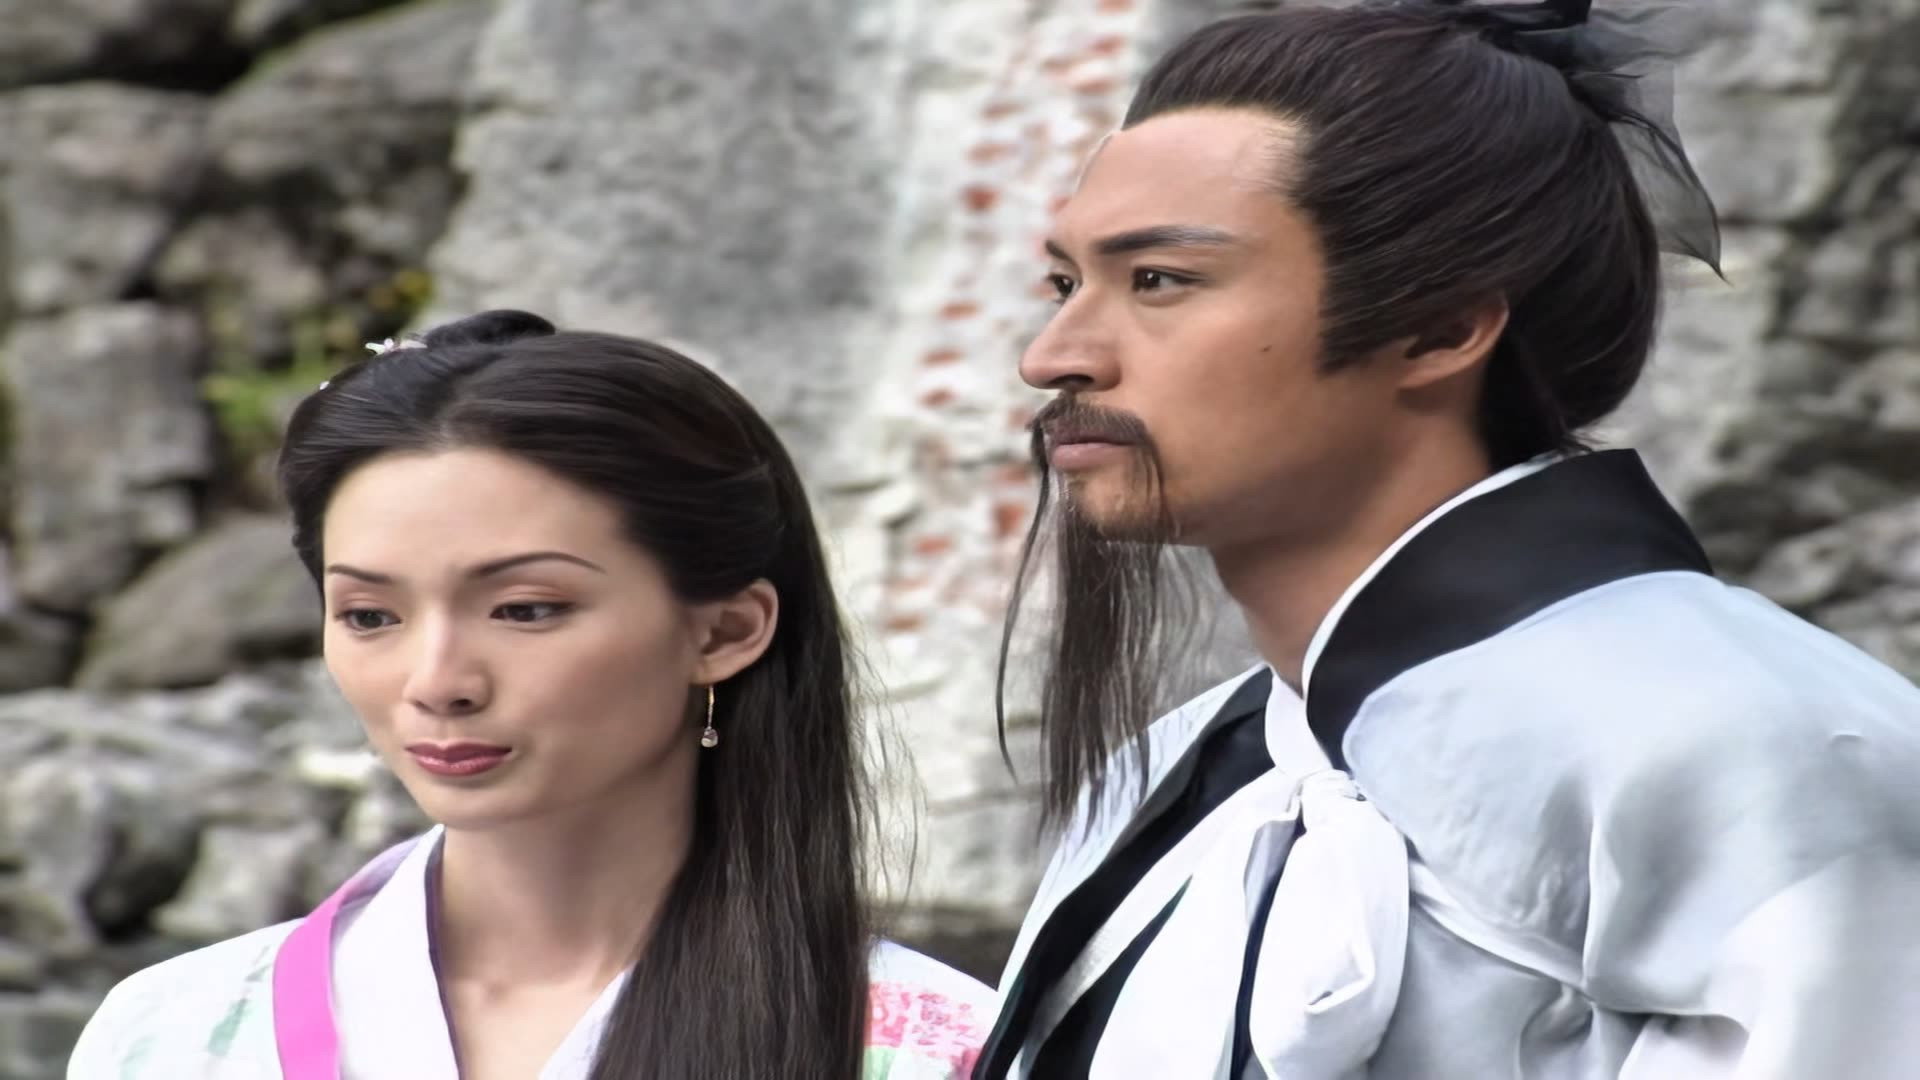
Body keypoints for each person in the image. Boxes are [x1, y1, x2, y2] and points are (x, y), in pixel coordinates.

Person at [975, 2, 1920, 1078]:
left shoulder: (1754, 748)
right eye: (1066, 284)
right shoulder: (1190, 766)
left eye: (1159, 280)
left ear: (1440, 329)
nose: (1052, 356)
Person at [67, 310, 993, 1080]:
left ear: (722, 632)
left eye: (525, 608)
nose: (437, 683)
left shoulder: (934, 1050)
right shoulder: (170, 1035)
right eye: (370, 616)